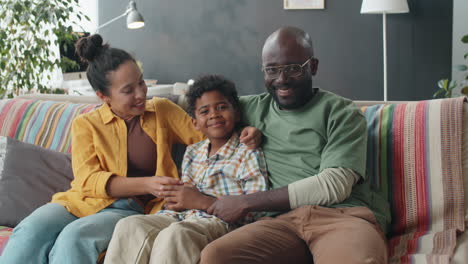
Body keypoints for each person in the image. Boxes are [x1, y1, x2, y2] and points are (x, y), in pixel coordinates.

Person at [0, 35, 260, 264]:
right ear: (104, 96)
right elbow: (88, 181)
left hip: (129, 209)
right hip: (78, 201)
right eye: (128, 90)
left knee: (75, 237)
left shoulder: (161, 110)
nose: (141, 93)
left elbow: (206, 133)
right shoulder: (86, 124)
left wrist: (246, 130)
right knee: (29, 230)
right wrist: (149, 184)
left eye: (141, 82)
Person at [198, 26, 391, 264]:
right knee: (216, 256)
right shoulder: (251, 108)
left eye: (292, 68)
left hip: (342, 216)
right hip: (280, 223)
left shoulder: (341, 112)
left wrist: (246, 202)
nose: (282, 79)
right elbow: (201, 116)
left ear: (313, 66)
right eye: (272, 69)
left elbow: (334, 185)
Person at [104, 74, 269, 264]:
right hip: (181, 216)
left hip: (220, 223)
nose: (214, 114)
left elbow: (256, 208)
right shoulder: (193, 152)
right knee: (130, 225)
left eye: (222, 107)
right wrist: (176, 199)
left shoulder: (247, 152)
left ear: (237, 114)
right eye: (205, 111)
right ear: (195, 123)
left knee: (176, 234)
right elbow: (184, 195)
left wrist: (203, 202)